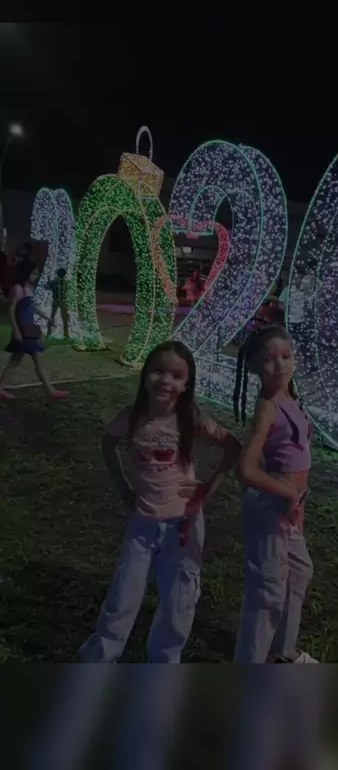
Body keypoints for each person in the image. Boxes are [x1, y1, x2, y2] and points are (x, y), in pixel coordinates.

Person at [79, 340, 241, 663]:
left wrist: (209, 487)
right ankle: (99, 660)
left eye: (176, 376)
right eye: (158, 371)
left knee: (178, 601)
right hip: (142, 524)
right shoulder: (131, 417)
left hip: (183, 526)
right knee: (123, 597)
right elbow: (107, 444)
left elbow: (232, 446)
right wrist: (123, 486)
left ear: (187, 384)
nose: (166, 381)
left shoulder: (190, 418)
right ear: (145, 373)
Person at [232, 324, 318, 664]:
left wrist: (298, 503)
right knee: (268, 589)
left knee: (299, 572)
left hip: (290, 507)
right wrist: (288, 493)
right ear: (254, 367)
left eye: (286, 356)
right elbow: (246, 468)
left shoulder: (290, 399)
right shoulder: (267, 407)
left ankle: (282, 652)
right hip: (271, 507)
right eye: (269, 359)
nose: (280, 364)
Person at [0, 260, 69, 401]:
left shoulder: (28, 288)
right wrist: (16, 330)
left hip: (29, 329)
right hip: (24, 330)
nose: (36, 276)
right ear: (26, 273)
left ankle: (50, 390)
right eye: (34, 273)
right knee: (33, 359)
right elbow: (11, 310)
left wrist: (46, 317)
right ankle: (50, 390)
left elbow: (32, 307)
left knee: (16, 360)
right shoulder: (18, 288)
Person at [47, 267, 70, 338]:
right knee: (65, 318)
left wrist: (48, 279)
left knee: (52, 316)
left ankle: (49, 333)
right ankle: (66, 335)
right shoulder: (67, 282)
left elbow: (48, 286)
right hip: (63, 301)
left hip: (56, 300)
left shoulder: (54, 282)